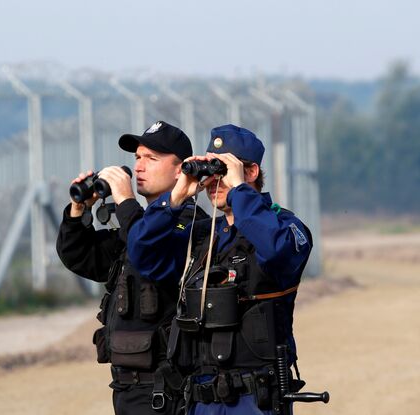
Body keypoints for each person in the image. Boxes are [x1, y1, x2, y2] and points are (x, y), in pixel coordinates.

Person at [127, 124, 313, 415]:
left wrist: (239, 191)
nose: (213, 181)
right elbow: (142, 253)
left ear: (250, 172)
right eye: (209, 172)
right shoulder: (200, 236)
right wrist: (174, 199)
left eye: (222, 171)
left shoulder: (285, 227)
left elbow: (276, 251)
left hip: (256, 400)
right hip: (201, 400)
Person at [56, 121, 208, 415]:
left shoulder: (189, 223)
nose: (139, 167)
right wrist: (79, 210)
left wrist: (125, 200)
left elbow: (147, 249)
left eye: (151, 159)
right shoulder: (137, 226)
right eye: (137, 158)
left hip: (167, 390)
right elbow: (78, 255)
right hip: (128, 389)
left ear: (181, 170)